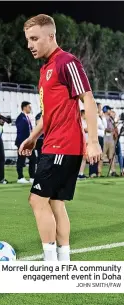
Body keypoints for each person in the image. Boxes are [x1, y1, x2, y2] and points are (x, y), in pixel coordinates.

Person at [20, 14, 102, 261]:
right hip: (54, 143)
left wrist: (93, 140)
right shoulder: (45, 69)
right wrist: (33, 137)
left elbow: (87, 98)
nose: (30, 45)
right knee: (55, 203)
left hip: (63, 145)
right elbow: (49, 114)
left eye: (34, 39)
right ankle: (63, 260)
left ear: (51, 36)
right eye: (28, 40)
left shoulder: (67, 62)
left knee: (36, 200)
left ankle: (49, 262)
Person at [15, 101, 36, 183]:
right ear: (24, 107)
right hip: (23, 142)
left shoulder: (26, 117)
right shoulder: (21, 118)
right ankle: (20, 178)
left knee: (33, 159)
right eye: (29, 107)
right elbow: (20, 132)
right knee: (21, 159)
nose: (30, 108)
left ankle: (32, 177)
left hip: (28, 142)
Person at [88, 103, 106, 177]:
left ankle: (96, 171)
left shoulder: (100, 117)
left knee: (98, 155)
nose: (100, 109)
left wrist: (103, 117)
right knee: (94, 154)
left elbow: (105, 126)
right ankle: (92, 172)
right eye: (99, 107)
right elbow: (100, 126)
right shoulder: (94, 116)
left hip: (101, 137)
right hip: (96, 137)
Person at [102, 105, 117, 176]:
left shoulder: (111, 118)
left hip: (111, 139)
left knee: (112, 156)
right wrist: (112, 130)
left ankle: (113, 171)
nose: (110, 111)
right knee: (102, 156)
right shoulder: (103, 118)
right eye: (109, 109)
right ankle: (98, 172)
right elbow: (104, 128)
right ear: (106, 110)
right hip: (105, 139)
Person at [111, 110, 124, 176]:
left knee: (120, 155)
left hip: (117, 139)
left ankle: (122, 170)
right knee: (114, 155)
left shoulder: (116, 122)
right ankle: (114, 171)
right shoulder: (112, 121)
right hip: (114, 140)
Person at [77, 110, 88, 179]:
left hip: (86, 141)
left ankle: (81, 173)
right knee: (79, 158)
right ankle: (77, 173)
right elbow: (83, 130)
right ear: (83, 114)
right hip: (81, 141)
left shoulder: (85, 121)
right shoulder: (80, 121)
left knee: (84, 158)